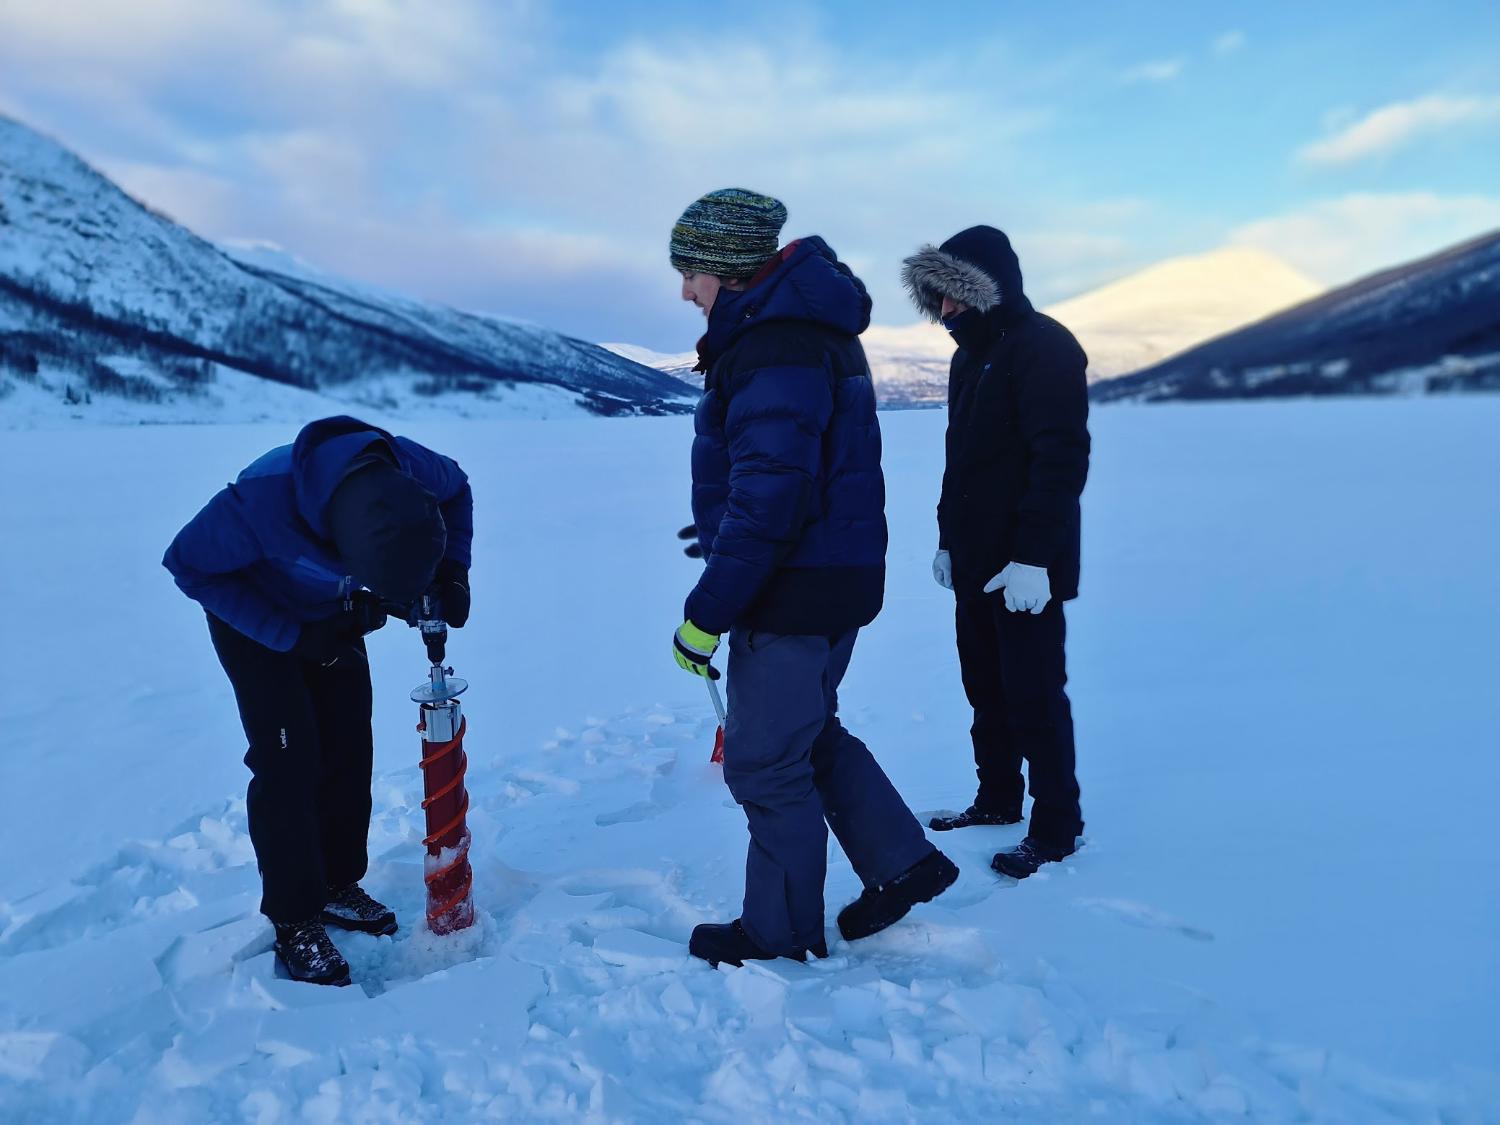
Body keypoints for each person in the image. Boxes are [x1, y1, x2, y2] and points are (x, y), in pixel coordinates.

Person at [669, 188, 958, 967]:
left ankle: (779, 929)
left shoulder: (774, 343)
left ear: (728, 272)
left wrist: (708, 608)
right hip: (832, 571)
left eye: (691, 272)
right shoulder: (799, 328)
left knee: (763, 760)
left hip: (793, 590)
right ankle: (902, 862)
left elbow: (773, 494)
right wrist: (728, 520)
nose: (685, 290)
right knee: (803, 731)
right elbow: (792, 473)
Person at [163, 416, 473, 985]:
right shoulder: (258, 503)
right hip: (257, 623)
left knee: (349, 743)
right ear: (339, 544)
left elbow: (458, 490)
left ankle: (336, 883)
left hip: (332, 616)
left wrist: (450, 573)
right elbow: (187, 565)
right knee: (289, 759)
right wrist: (296, 637)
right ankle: (294, 916)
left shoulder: (409, 468)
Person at [901, 226, 1091, 879]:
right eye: (939, 299)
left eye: (955, 296)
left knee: (1034, 694)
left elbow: (1059, 460)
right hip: (976, 564)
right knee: (985, 688)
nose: (946, 312)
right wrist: (948, 540)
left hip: (1025, 569)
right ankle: (997, 798)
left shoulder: (1045, 348)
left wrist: (1035, 556)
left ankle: (1057, 826)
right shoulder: (969, 358)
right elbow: (963, 467)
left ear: (989, 287)